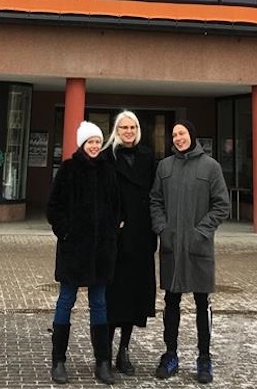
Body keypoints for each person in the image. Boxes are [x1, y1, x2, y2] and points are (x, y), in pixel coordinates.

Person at [150, 120, 230, 385]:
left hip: (198, 248)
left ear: (192, 136)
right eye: (174, 135)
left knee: (201, 304)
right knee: (171, 303)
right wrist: (162, 228)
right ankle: (170, 354)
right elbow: (155, 201)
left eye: (181, 133)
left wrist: (201, 232)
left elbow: (221, 205)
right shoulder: (165, 167)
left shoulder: (210, 167)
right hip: (172, 247)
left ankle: (204, 358)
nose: (177, 138)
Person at [46, 121, 121, 386]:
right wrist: (66, 233)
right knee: (66, 301)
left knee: (99, 304)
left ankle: (103, 362)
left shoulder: (107, 171)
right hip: (73, 251)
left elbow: (116, 207)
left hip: (101, 252)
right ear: (82, 143)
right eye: (90, 142)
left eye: (98, 142)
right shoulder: (68, 170)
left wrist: (112, 229)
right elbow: (53, 207)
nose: (95, 146)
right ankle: (58, 361)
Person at [102, 110, 157, 375]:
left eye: (132, 127)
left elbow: (156, 194)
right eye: (123, 127)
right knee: (114, 297)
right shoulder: (107, 156)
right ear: (116, 130)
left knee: (134, 298)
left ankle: (124, 350)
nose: (128, 131)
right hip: (118, 238)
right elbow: (100, 195)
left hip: (142, 237)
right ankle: (105, 354)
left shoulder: (148, 157)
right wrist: (112, 220)